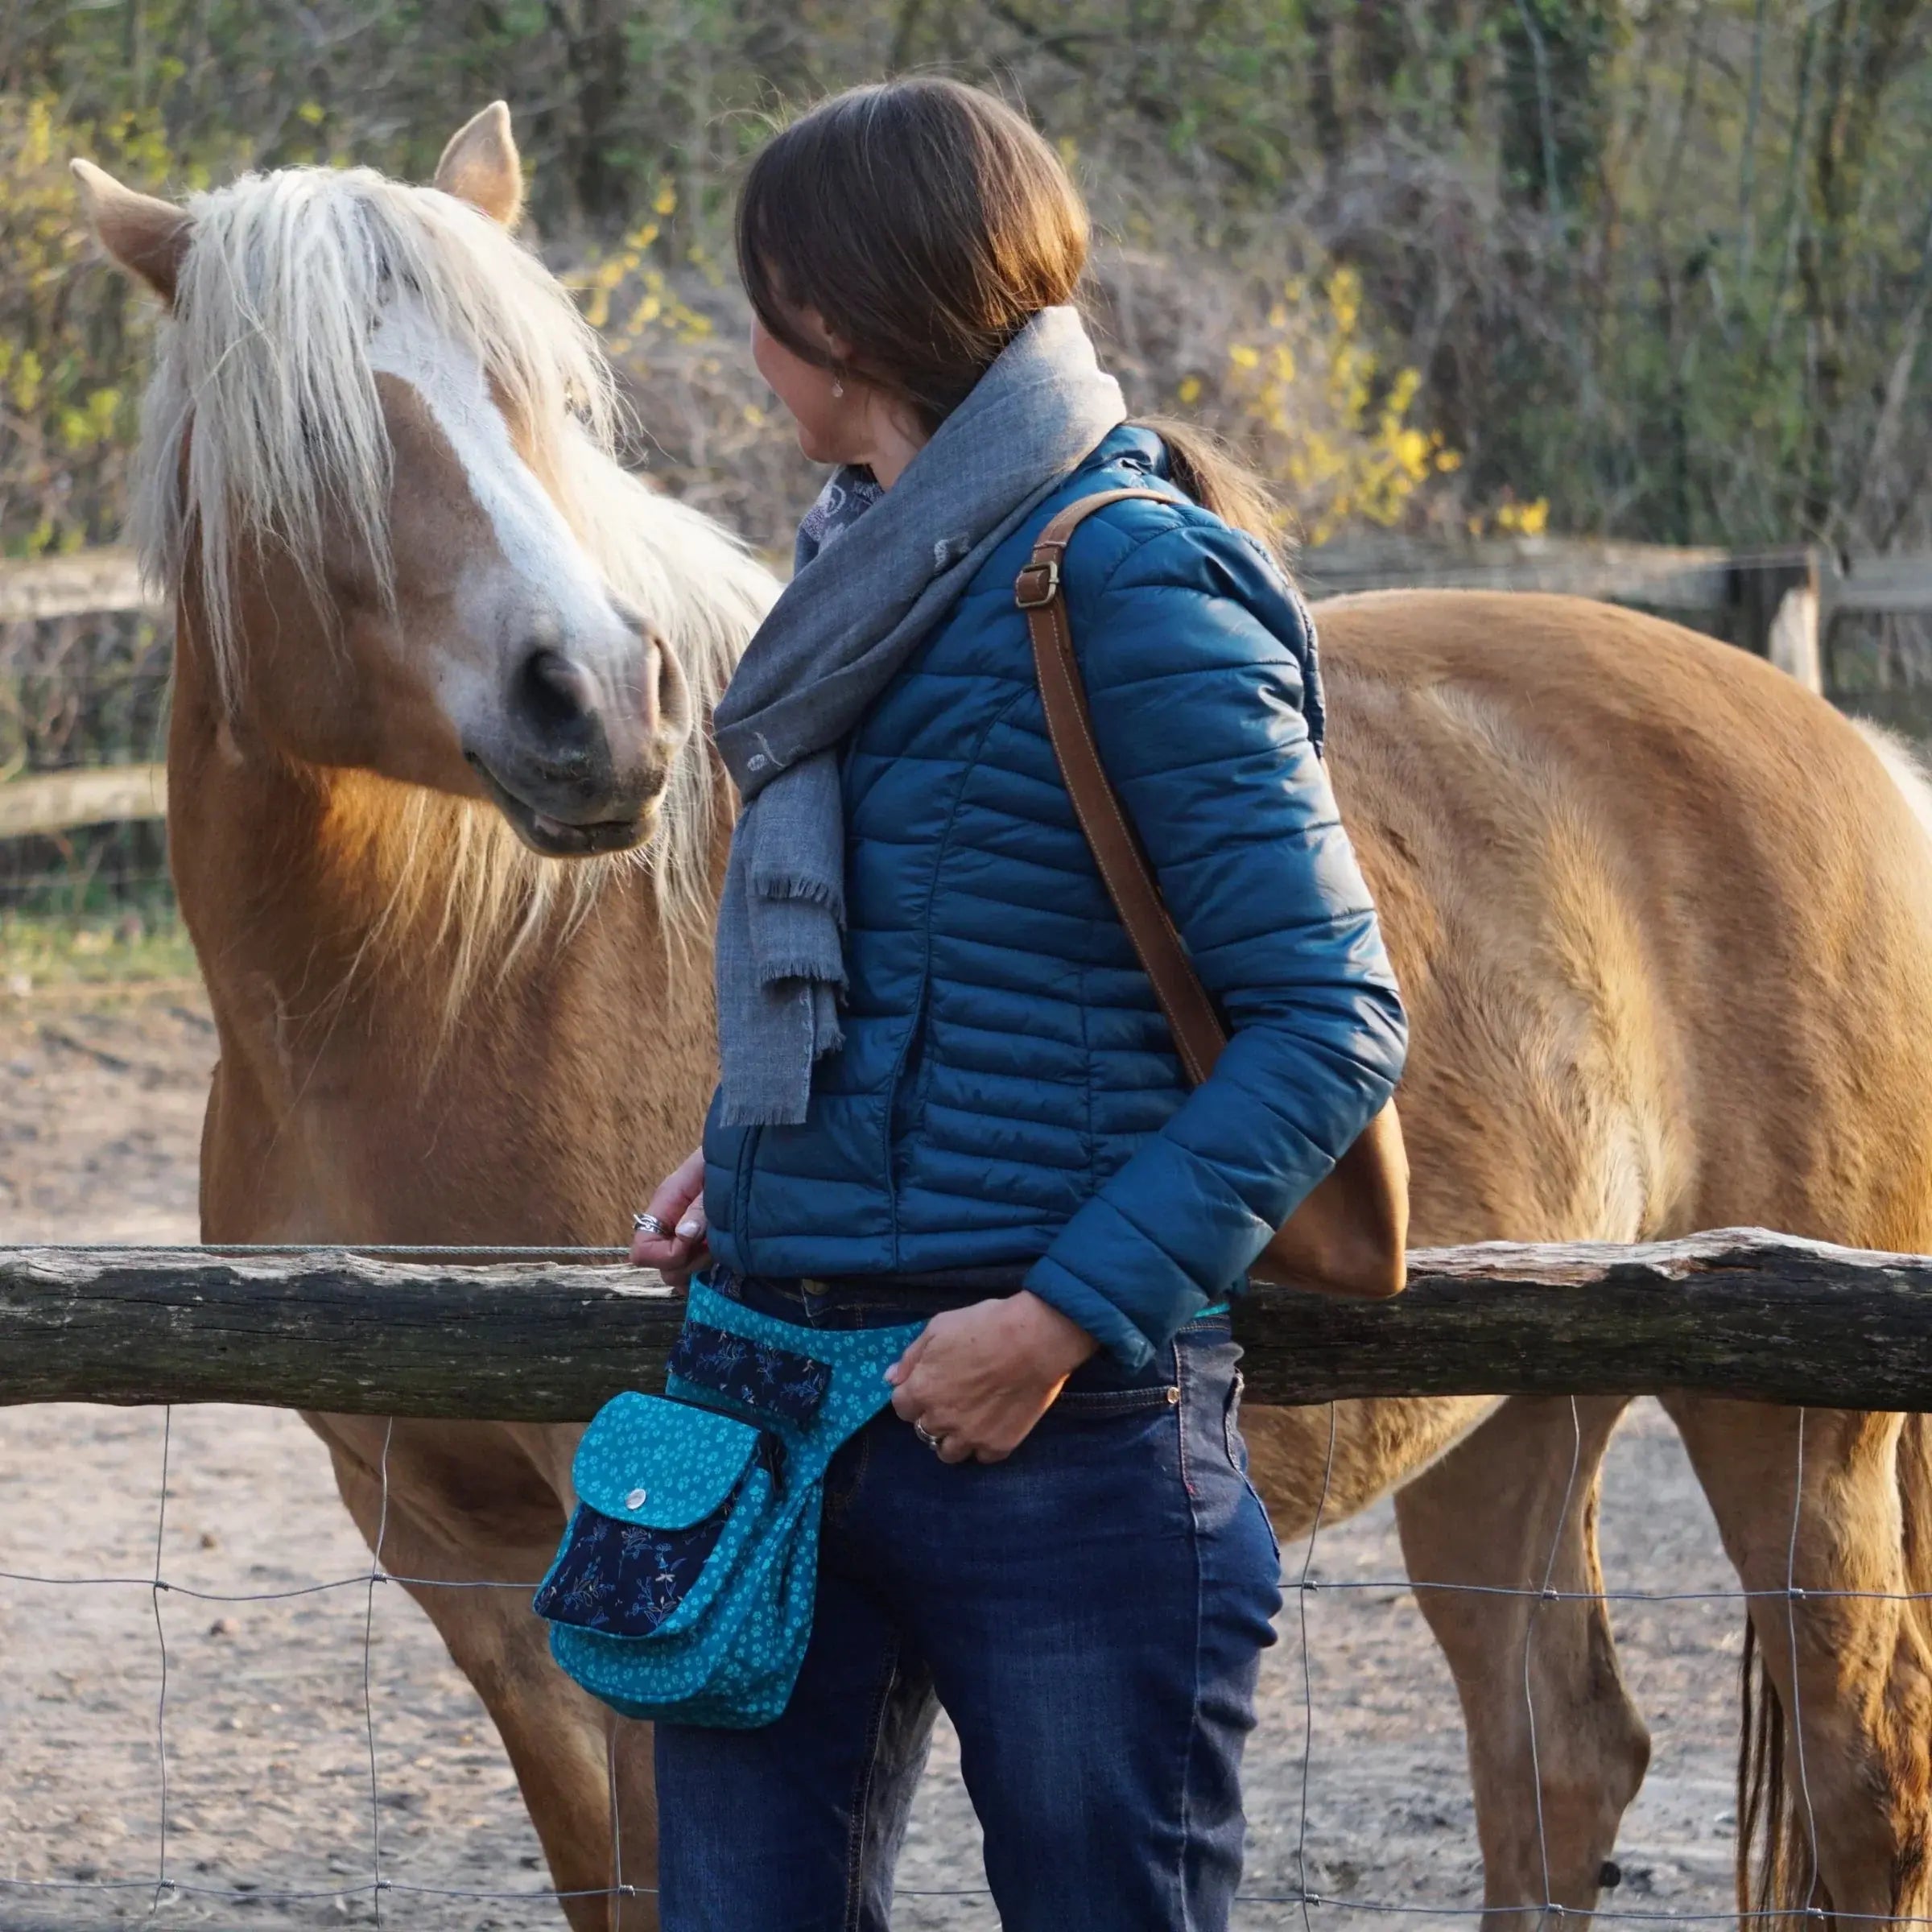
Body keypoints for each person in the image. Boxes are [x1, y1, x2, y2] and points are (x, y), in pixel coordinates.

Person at [630, 76, 1406, 1931]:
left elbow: (1329, 1018)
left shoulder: (1124, 576)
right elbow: (921, 971)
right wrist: (767, 1152)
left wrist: (1059, 1319)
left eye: (762, 297)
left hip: (1056, 1450)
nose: (747, 344)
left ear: (840, 317)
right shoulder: (854, 571)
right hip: (773, 1396)